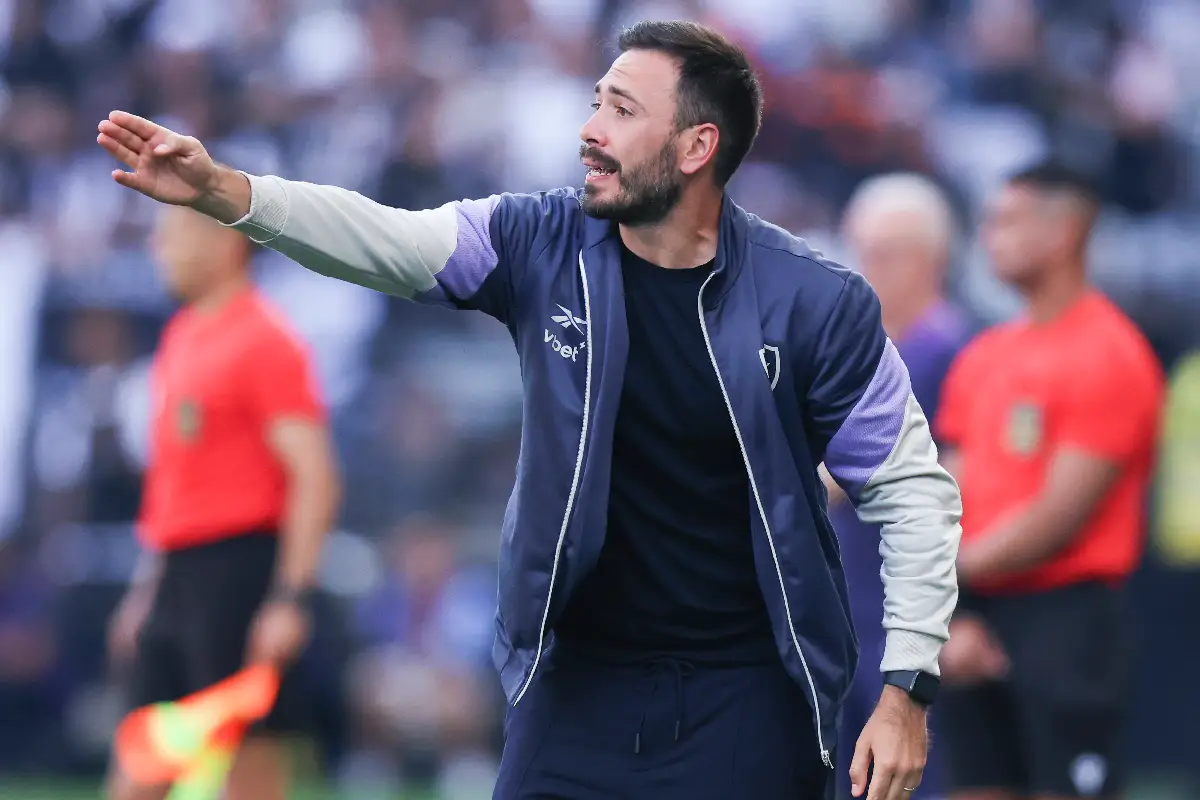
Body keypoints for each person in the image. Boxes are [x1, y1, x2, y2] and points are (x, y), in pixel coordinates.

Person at [97, 20, 962, 800]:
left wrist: (907, 689)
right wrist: (226, 192)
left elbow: (912, 492)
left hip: (749, 696)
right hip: (574, 687)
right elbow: (385, 239)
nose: (589, 130)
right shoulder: (537, 242)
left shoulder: (815, 302)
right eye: (595, 103)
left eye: (621, 110)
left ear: (699, 145)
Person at [933, 163, 1165, 800]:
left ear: (1065, 231)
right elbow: (947, 491)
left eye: (1007, 221)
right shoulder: (984, 356)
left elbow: (1057, 517)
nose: (989, 237)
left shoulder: (1110, 353)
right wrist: (955, 611)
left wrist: (949, 575)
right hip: (977, 605)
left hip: (1066, 617)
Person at [105, 206, 342, 800]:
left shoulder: (265, 338)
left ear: (225, 240)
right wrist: (149, 588)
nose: (161, 249)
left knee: (249, 765)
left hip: (239, 573)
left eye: (175, 235)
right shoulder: (181, 336)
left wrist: (290, 598)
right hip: (179, 575)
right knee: (141, 761)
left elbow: (314, 477)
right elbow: (175, 485)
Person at [826, 173, 971, 800]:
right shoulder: (860, 353)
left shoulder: (958, 353)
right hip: (851, 611)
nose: (866, 269)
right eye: (860, 250)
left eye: (883, 252)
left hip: (919, 620)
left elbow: (963, 488)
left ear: (931, 257)